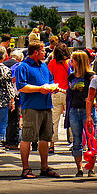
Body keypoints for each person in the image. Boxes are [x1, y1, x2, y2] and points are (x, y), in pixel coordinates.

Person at [14, 42, 61, 178]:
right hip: (31, 107)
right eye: (42, 50)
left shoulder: (44, 65)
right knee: (27, 137)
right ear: (35, 52)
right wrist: (40, 89)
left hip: (46, 106)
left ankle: (44, 167)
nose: (44, 53)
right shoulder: (23, 66)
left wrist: (53, 87)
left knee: (45, 138)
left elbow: (50, 81)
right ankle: (26, 168)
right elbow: (21, 87)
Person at [67, 50, 96, 177]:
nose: (71, 62)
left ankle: (91, 167)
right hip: (74, 108)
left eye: (73, 59)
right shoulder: (71, 77)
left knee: (91, 139)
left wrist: (92, 100)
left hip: (87, 110)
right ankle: (79, 168)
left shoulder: (90, 76)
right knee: (76, 139)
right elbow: (70, 92)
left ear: (79, 61)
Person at [47, 42, 71, 152]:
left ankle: (51, 144)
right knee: (70, 118)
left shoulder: (52, 63)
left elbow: (48, 76)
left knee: (54, 119)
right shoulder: (70, 63)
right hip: (67, 92)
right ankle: (73, 141)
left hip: (55, 92)